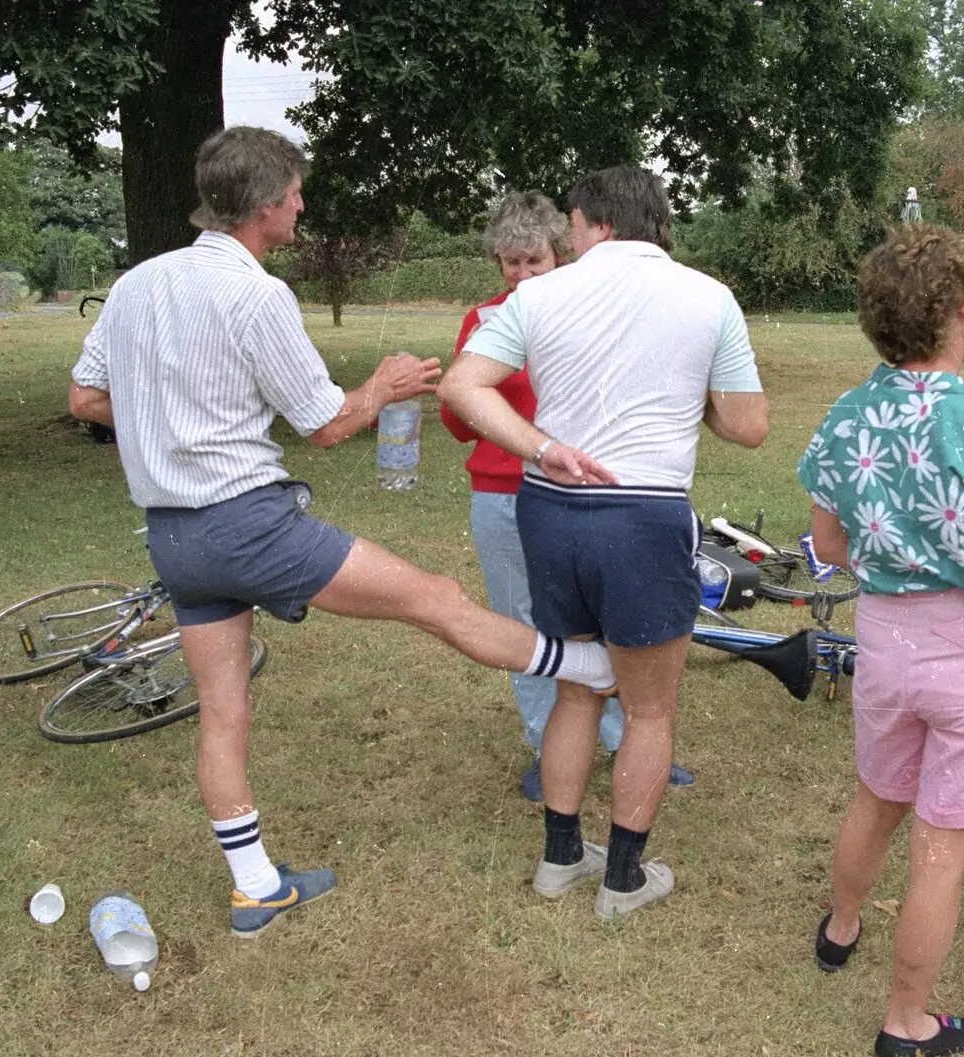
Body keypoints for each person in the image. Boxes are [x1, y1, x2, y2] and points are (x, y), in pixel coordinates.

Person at [68, 127, 617, 939]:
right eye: (294, 193)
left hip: (174, 541)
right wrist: (385, 384)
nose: (301, 205)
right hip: (247, 523)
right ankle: (585, 662)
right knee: (432, 597)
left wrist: (172, 424)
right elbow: (327, 425)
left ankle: (256, 888)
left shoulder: (135, 283)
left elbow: (85, 398)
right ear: (264, 208)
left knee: (223, 713)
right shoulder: (258, 294)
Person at [440, 165, 767, 920]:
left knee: (576, 681)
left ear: (591, 222)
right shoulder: (708, 296)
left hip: (550, 505)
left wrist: (537, 445)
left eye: (572, 227)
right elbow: (749, 425)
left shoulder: (538, 293)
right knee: (650, 708)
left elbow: (461, 385)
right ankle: (623, 875)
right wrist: (696, 402)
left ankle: (561, 856)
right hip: (642, 515)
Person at [800, 223, 964, 1056]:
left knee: (879, 796)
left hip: (884, 644)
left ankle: (840, 929)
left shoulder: (845, 415)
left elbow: (830, 547)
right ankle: (906, 1020)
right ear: (959, 312)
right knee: (941, 848)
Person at [438, 191, 693, 801]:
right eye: (511, 263)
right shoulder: (485, 320)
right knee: (523, 624)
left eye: (535, 261)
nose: (522, 274)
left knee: (597, 626)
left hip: (578, 496)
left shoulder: (582, 311)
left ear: (561, 255)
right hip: (502, 491)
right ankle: (540, 741)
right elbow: (458, 418)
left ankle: (617, 738)